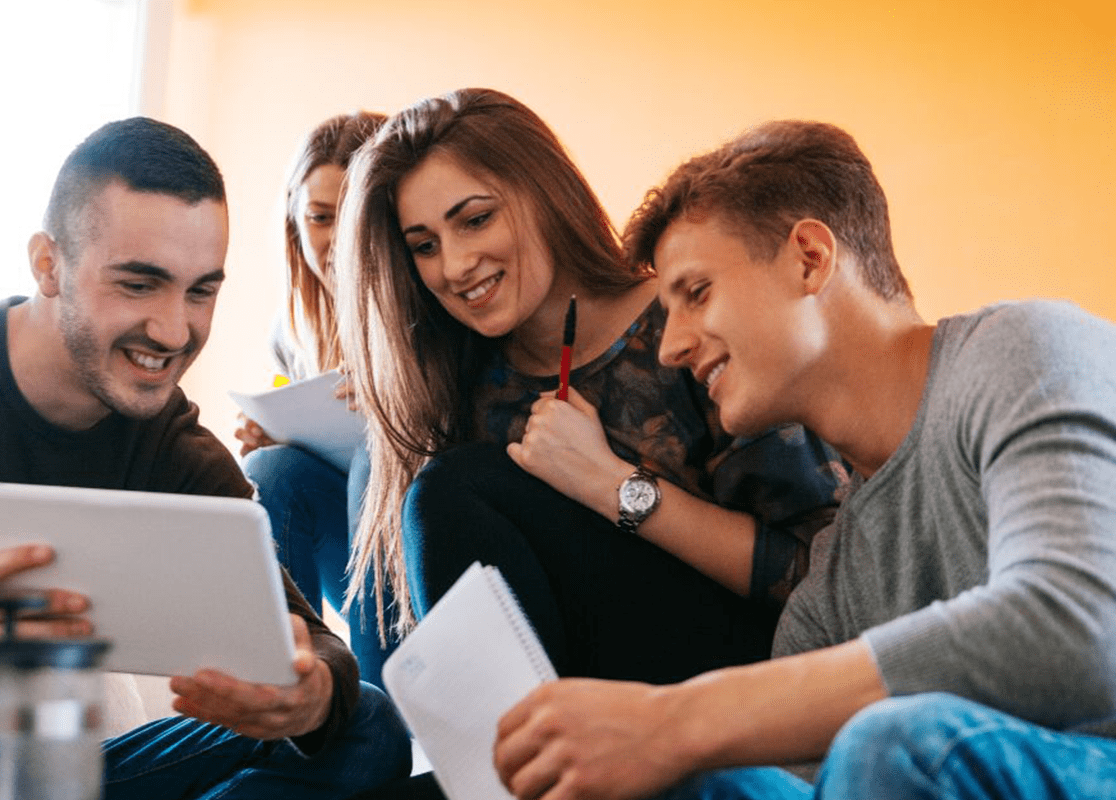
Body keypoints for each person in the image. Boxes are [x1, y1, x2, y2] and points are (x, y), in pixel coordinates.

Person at [489, 120, 1116, 800]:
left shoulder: (1023, 352)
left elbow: (1080, 628)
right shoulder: (831, 588)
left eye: (696, 293)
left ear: (810, 258)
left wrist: (675, 718)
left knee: (891, 745)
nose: (669, 346)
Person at [0, 117, 410, 800]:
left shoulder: (169, 444)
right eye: (139, 284)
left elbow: (308, 638)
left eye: (201, 290)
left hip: (67, 777)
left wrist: (309, 693)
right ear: (47, 264)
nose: (175, 331)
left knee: (366, 722)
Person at [334, 88, 848, 686]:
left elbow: (822, 576)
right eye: (425, 246)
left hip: (748, 677)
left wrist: (614, 487)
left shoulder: (689, 323)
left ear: (545, 195)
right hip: (575, 705)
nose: (454, 265)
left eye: (476, 220)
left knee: (449, 489)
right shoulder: (461, 384)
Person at [232, 111, 395, 688]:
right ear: (295, 225)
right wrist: (277, 433)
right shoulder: (294, 331)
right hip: (351, 555)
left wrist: (397, 407)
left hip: (427, 556)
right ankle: (295, 686)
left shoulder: (437, 306)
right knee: (269, 468)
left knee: (379, 460)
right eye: (321, 218)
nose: (338, 239)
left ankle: (385, 710)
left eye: (356, 216)